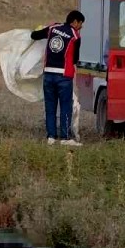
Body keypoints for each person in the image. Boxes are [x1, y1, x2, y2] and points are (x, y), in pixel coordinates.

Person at [30, 10, 84, 146]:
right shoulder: (75, 36)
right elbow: (75, 59)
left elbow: (34, 35)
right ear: (75, 22)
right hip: (64, 76)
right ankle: (65, 138)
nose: (81, 27)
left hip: (48, 75)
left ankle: (51, 137)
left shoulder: (53, 28)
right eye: (81, 24)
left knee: (50, 107)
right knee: (65, 107)